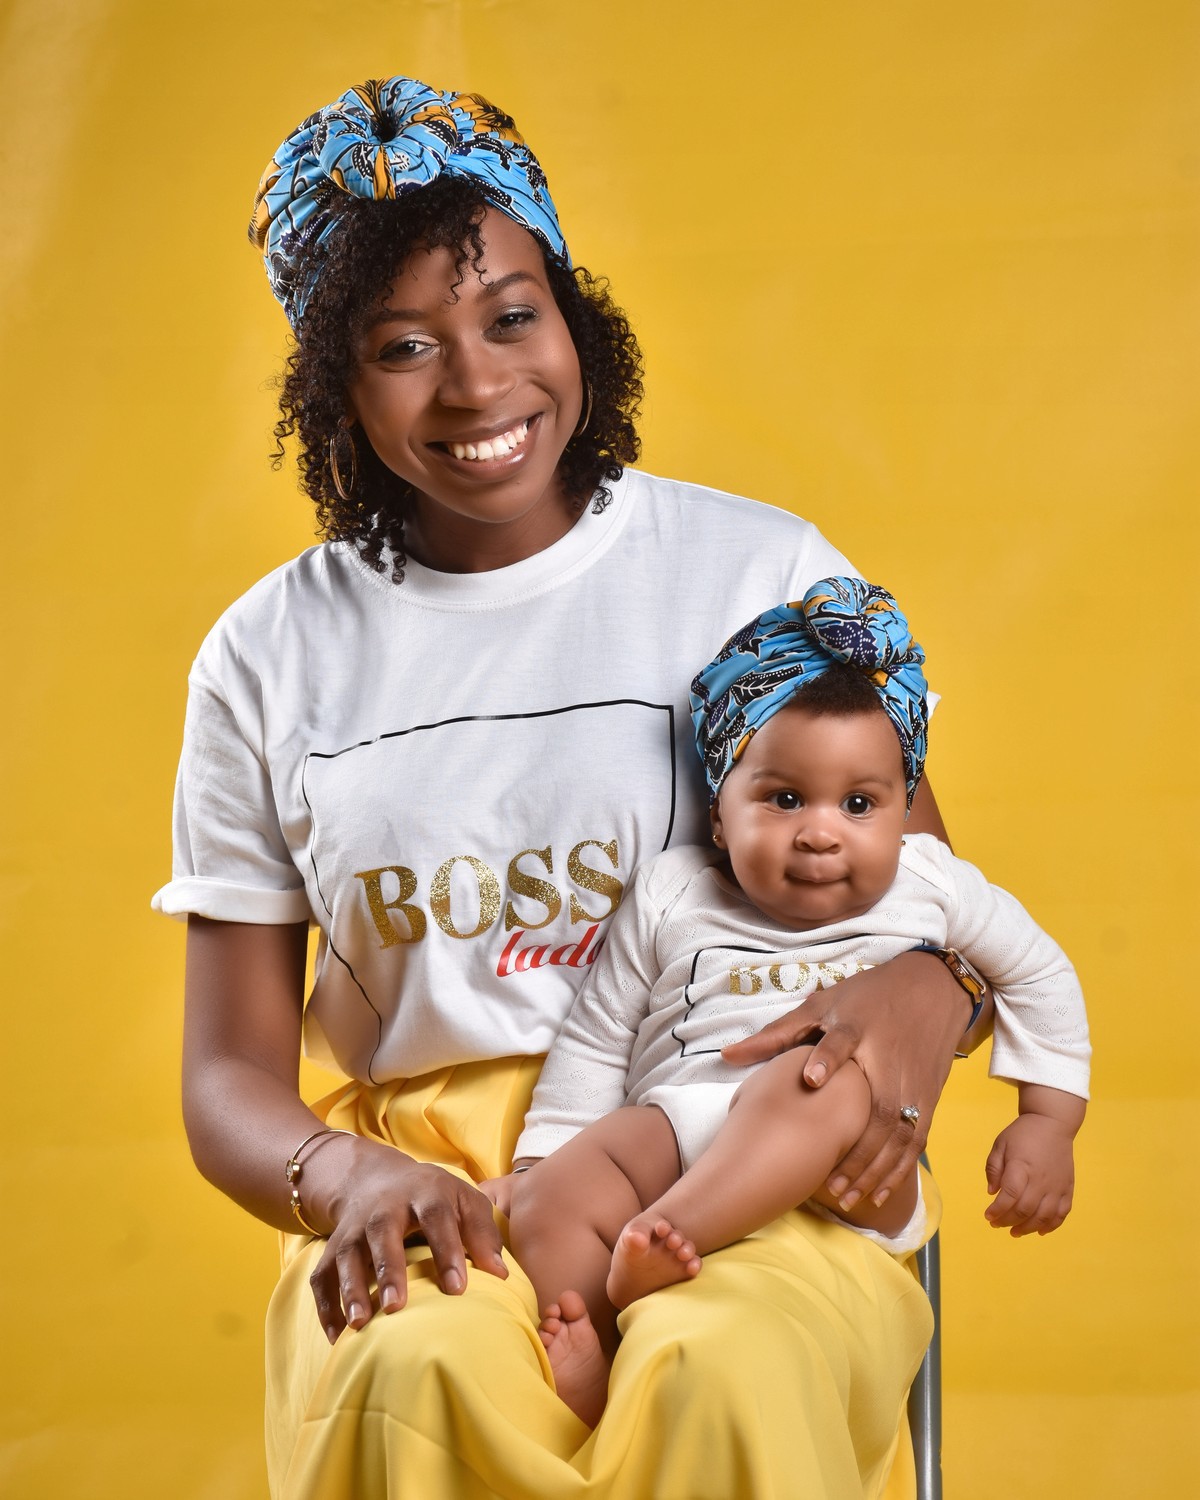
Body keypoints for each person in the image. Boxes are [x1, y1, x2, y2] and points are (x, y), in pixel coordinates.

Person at [156, 75, 997, 1499]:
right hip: (436, 1202)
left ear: (572, 311)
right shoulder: (269, 653)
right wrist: (350, 1181)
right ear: (332, 384)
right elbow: (228, 1077)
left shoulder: (756, 576)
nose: (479, 385)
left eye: (510, 314)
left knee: (721, 1372)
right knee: (407, 1378)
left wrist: (928, 996)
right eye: (402, 345)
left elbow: (927, 910)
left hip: (736, 1151)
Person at [490, 576, 1089, 1425]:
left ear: (901, 810)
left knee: (814, 1073)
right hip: (683, 1121)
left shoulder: (931, 884)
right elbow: (598, 1037)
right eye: (782, 800)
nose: (819, 830)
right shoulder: (672, 891)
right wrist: (539, 1167)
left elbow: (1039, 974)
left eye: (859, 804)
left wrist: (1046, 1122)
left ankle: (661, 1244)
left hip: (845, 1159)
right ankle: (601, 1364)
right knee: (557, 1197)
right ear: (720, 814)